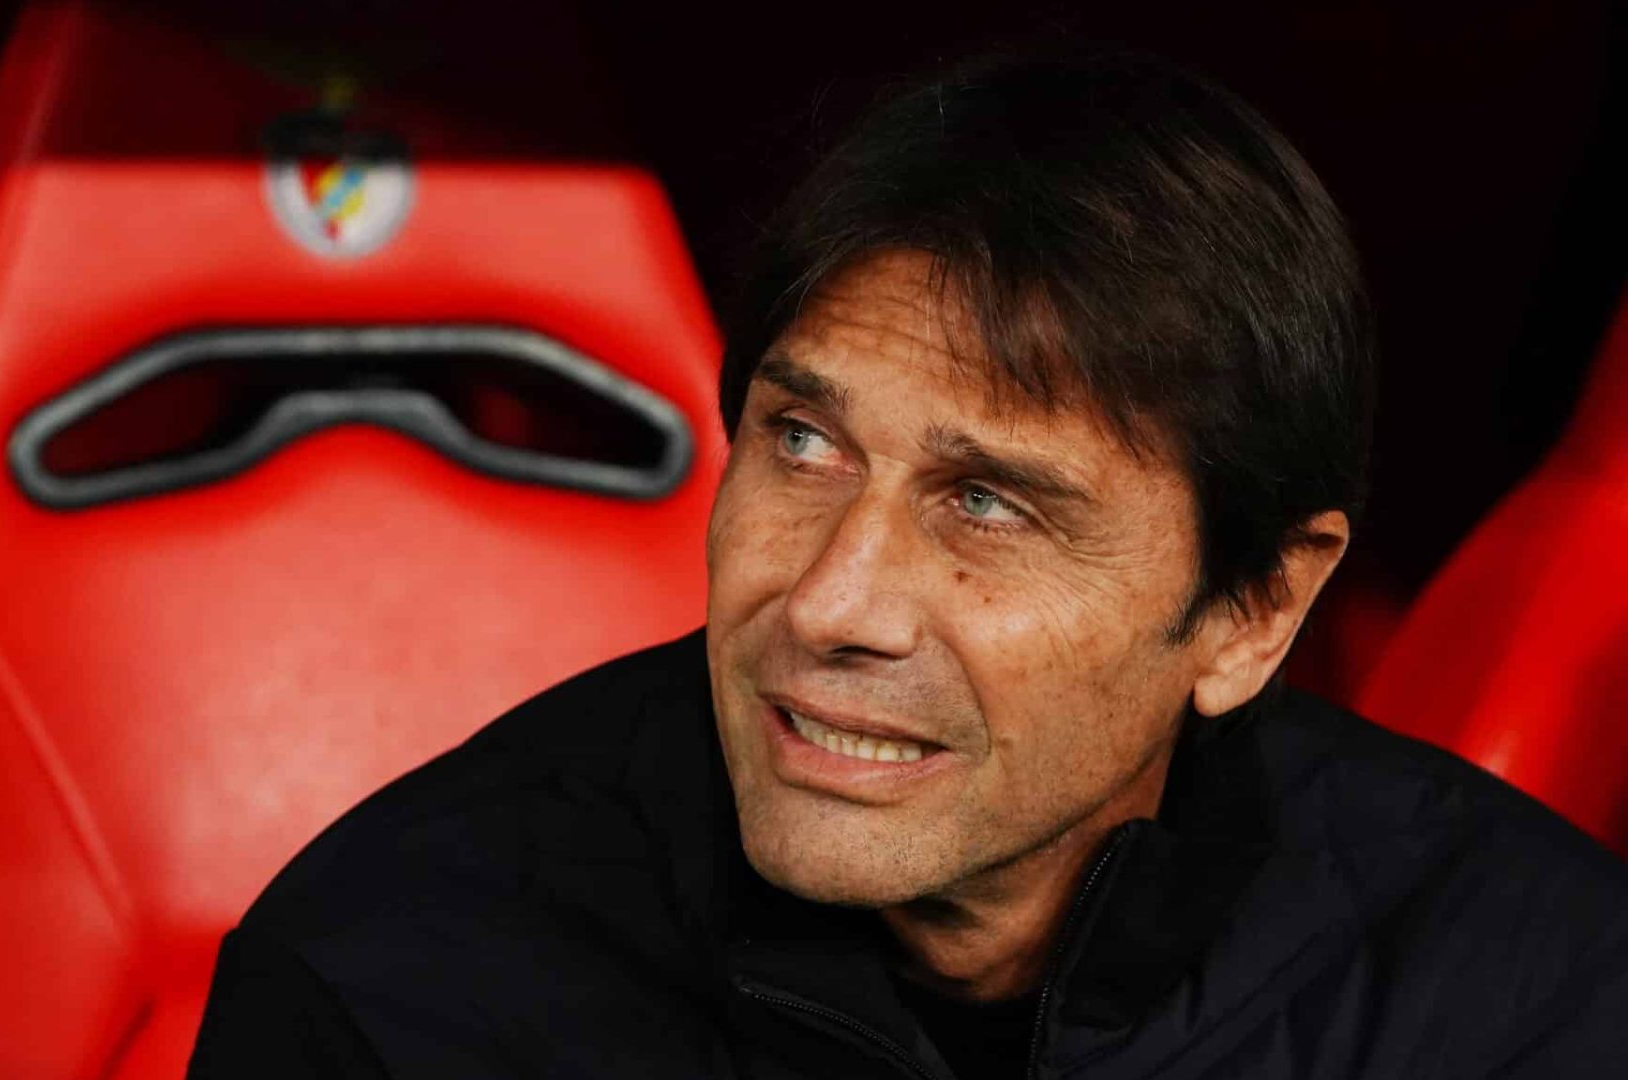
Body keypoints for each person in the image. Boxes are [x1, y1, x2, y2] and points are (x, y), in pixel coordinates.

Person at [187, 51, 1628, 1078]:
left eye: (991, 504)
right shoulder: (381, 989)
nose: (828, 603)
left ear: (1254, 610)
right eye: (804, 444)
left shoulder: (1523, 994)